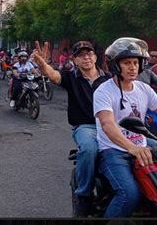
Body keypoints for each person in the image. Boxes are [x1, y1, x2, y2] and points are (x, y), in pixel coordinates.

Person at [94, 37, 157, 218]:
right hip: (113, 151)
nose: (132, 67)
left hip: (143, 148)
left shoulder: (144, 89)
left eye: (136, 63)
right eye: (127, 63)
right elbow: (107, 124)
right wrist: (131, 147)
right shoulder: (104, 91)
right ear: (114, 65)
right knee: (129, 195)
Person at [32, 40, 111, 217]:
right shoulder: (70, 77)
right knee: (89, 149)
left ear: (95, 57)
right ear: (74, 60)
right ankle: (83, 195)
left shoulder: (109, 78)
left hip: (110, 125)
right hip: (86, 126)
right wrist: (43, 64)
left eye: (89, 53)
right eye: (81, 55)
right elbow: (53, 75)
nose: (86, 57)